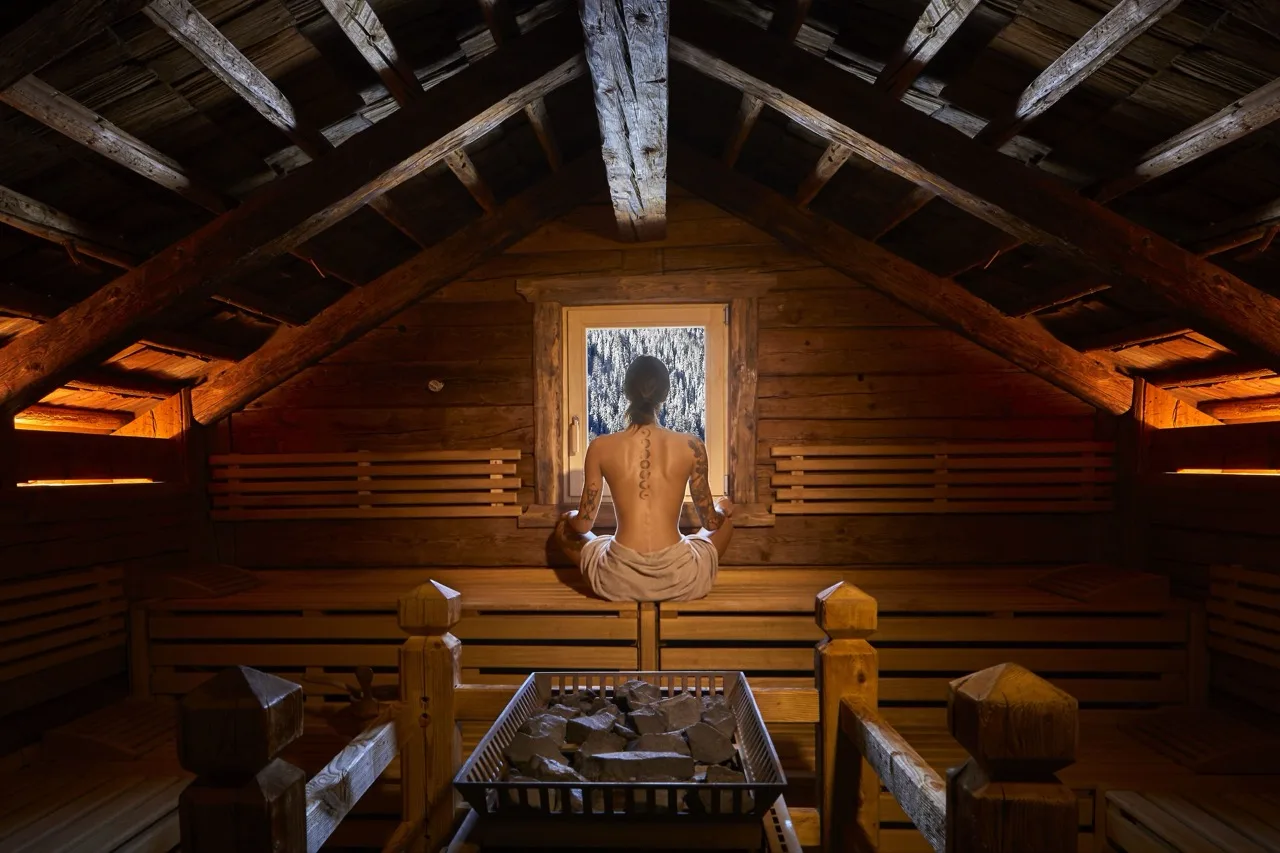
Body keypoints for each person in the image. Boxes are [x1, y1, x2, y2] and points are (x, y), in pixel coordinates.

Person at [555, 355, 734, 602]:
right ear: (666, 393)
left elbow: (583, 526)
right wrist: (722, 507)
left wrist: (570, 517)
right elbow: (712, 523)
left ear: (627, 391)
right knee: (726, 525)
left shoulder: (600, 446)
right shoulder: (692, 445)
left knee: (564, 528)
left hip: (618, 578)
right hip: (679, 578)